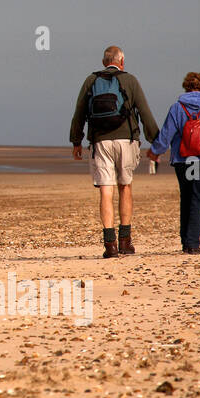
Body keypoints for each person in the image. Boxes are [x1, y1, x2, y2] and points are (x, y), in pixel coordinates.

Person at [70, 46, 160, 258]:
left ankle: (109, 245)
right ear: (121, 63)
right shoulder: (130, 80)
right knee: (125, 186)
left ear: (104, 62)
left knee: (105, 190)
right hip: (126, 140)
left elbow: (79, 113)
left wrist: (76, 141)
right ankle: (125, 241)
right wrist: (156, 141)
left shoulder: (90, 81)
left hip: (100, 142)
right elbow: (145, 112)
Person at [146, 72, 200, 254]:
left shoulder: (177, 108)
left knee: (186, 198)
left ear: (186, 87)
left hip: (184, 159)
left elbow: (166, 134)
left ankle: (186, 242)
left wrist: (155, 151)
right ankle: (193, 244)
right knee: (198, 199)